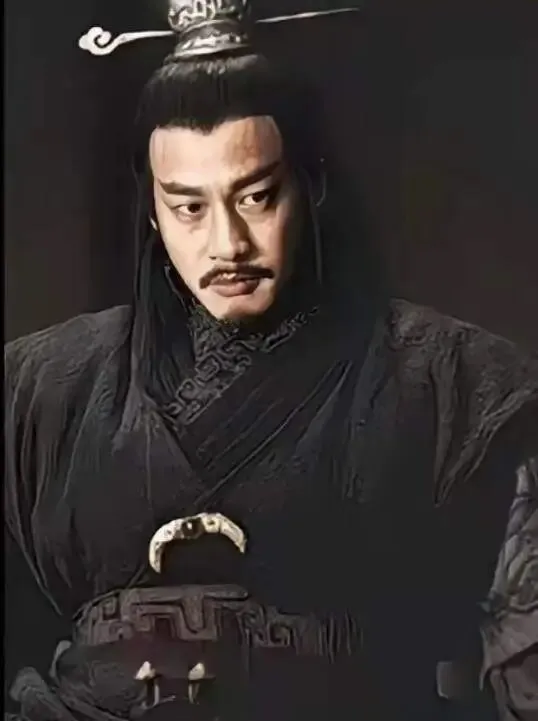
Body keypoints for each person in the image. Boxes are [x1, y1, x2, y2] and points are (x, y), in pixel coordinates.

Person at [4, 1, 538, 719]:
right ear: (153, 210)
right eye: (189, 208)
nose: (227, 243)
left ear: (310, 186)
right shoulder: (38, 393)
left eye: (256, 197)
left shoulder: (452, 384)